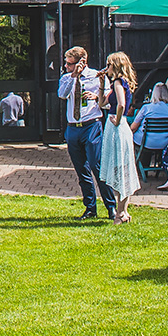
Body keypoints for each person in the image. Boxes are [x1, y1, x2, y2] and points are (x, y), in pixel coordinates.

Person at [58, 46, 105, 219]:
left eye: (70, 64)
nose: (67, 67)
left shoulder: (97, 76)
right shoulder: (66, 78)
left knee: (96, 166)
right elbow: (62, 95)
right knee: (81, 170)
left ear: (82, 62)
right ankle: (90, 207)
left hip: (91, 125)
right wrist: (73, 76)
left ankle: (110, 205)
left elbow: (107, 102)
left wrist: (97, 97)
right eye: (66, 63)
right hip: (73, 127)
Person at [95, 52, 138, 224]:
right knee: (121, 168)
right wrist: (100, 83)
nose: (106, 68)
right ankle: (123, 212)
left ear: (116, 66)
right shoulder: (117, 84)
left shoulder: (119, 82)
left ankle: (120, 213)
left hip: (118, 127)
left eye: (109, 65)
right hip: (117, 126)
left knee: (120, 168)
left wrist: (117, 119)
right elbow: (101, 103)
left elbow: (120, 104)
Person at [131, 81, 168, 171]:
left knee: (133, 138)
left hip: (146, 142)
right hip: (165, 142)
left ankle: (138, 168)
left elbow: (133, 127)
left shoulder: (146, 108)